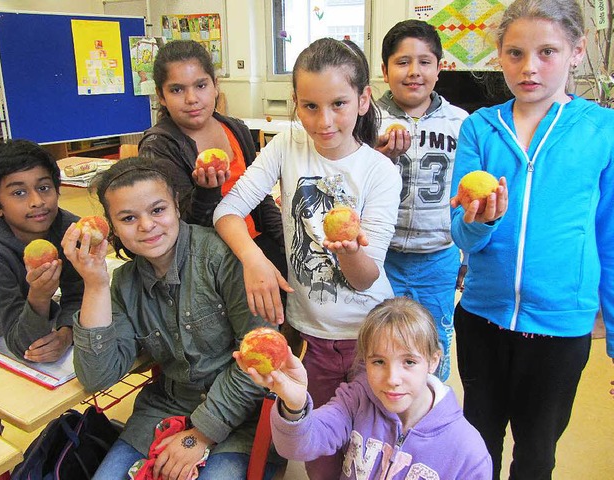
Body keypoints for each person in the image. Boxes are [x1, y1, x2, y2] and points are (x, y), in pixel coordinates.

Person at [214, 38, 402, 479]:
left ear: (363, 99)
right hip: (310, 339)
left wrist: (351, 250)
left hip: (369, 340)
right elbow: (228, 209)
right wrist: (254, 259)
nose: (325, 121)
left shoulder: (380, 173)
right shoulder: (286, 146)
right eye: (310, 106)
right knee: (318, 454)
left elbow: (364, 278)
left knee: (369, 456)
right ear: (295, 103)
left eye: (338, 103)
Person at [449, 0, 614, 478]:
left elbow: (609, 237)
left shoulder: (601, 130)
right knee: (477, 441)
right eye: (516, 53)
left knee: (537, 449)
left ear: (577, 51)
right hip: (482, 318)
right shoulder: (480, 128)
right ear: (499, 55)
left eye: (547, 52)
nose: (530, 68)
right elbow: (461, 232)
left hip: (561, 327)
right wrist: (481, 222)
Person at [61, 157, 283, 480]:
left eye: (157, 210)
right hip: (165, 410)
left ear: (177, 207)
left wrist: (201, 434)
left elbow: (259, 362)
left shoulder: (222, 258)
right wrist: (94, 285)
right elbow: (97, 376)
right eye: (127, 217)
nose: (146, 226)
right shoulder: (124, 283)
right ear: (111, 228)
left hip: (240, 416)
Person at [235, 296, 492, 479]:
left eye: (409, 362)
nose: (393, 378)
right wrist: (295, 403)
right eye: (379, 361)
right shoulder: (356, 400)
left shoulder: (467, 452)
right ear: (364, 361)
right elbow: (298, 447)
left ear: (434, 361)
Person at [138, 40, 285, 276]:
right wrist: (207, 192)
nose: (191, 98)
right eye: (177, 89)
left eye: (201, 85)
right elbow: (177, 228)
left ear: (215, 86)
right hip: (208, 262)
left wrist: (286, 241)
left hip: (256, 244)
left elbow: (260, 199)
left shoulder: (236, 129)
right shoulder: (160, 147)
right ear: (161, 96)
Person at [375, 20, 469, 381]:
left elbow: (466, 197)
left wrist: (467, 256)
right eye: (402, 62)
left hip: (438, 256)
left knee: (433, 343)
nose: (414, 72)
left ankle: (430, 413)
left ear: (439, 68)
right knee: (381, 342)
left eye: (425, 62)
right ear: (384, 70)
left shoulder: (460, 123)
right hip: (383, 256)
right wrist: (377, 155)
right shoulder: (368, 119)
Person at [0, 140, 83, 361]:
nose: (37, 202)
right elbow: (23, 345)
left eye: (44, 188)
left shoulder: (69, 231)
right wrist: (40, 297)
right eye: (19, 193)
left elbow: (79, 293)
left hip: (16, 304)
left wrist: (66, 333)